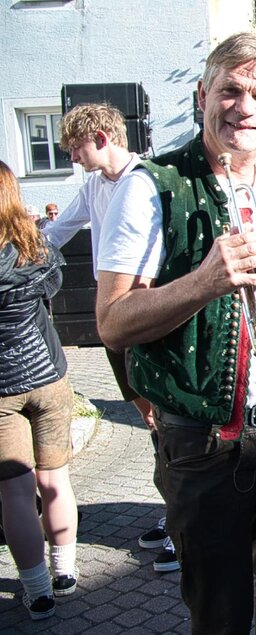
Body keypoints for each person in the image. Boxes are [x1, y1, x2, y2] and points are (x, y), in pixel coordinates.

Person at [95, 33, 256, 633]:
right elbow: (111, 322)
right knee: (221, 615)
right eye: (231, 91)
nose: (245, 108)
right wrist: (202, 283)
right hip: (205, 442)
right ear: (202, 95)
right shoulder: (150, 184)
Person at [44, 103, 178, 571]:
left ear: (101, 139)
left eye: (76, 148)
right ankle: (175, 513)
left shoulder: (152, 179)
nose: (72, 158)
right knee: (152, 423)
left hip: (152, 318)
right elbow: (56, 233)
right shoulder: (94, 186)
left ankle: (185, 528)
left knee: (172, 424)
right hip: (115, 322)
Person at [0, 160, 80, 620]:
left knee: (15, 494)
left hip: (2, 391)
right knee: (55, 480)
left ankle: (38, 590)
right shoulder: (36, 246)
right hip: (49, 375)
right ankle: (65, 571)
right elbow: (53, 287)